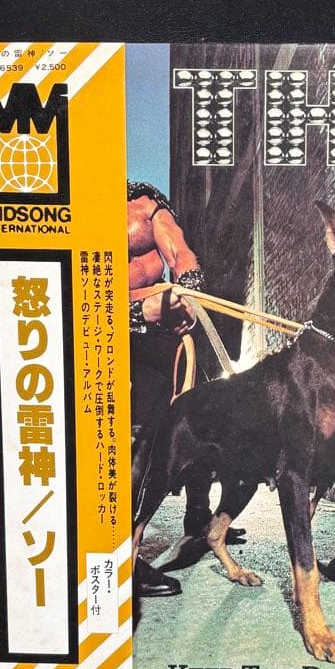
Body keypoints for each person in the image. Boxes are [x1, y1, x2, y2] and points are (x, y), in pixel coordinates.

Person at [127, 181, 205, 596]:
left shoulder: (143, 204)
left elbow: (180, 254)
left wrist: (187, 295)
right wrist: (136, 310)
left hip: (145, 351)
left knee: (142, 447)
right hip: (82, 343)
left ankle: (122, 556)